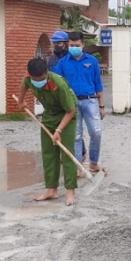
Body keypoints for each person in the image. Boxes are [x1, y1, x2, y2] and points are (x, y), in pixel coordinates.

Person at [15, 58, 78, 206]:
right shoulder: (30, 79)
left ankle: (70, 191)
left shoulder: (59, 84)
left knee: (67, 153)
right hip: (49, 115)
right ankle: (51, 189)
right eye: (34, 79)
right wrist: (21, 101)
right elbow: (24, 85)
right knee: (49, 153)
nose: (37, 82)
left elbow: (70, 110)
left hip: (66, 116)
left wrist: (58, 130)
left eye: (41, 79)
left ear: (46, 73)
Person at [53, 31, 105, 173]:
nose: (74, 47)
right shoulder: (62, 64)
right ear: (67, 45)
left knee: (96, 132)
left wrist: (101, 106)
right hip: (71, 104)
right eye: (71, 45)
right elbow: (58, 86)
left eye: (77, 45)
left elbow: (98, 84)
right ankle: (78, 167)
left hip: (90, 101)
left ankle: (93, 163)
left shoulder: (92, 61)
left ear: (83, 45)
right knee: (76, 136)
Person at [48, 30, 88, 163]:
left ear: (66, 43)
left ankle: (80, 153)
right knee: (61, 126)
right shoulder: (52, 60)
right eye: (54, 43)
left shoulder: (71, 58)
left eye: (58, 43)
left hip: (71, 96)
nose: (56, 45)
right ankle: (64, 153)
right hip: (56, 96)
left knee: (74, 128)